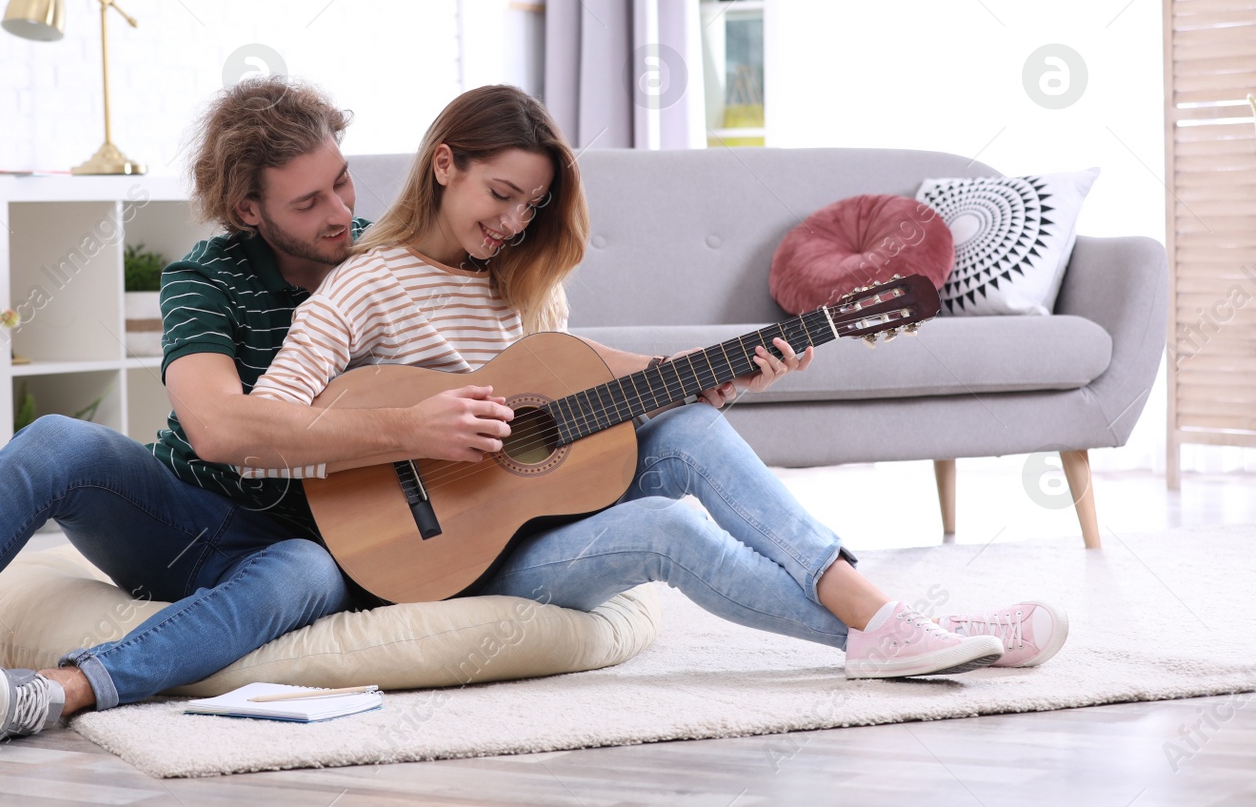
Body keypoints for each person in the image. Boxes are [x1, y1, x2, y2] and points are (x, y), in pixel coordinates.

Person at [0, 78, 512, 746]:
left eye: (342, 182)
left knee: (307, 570)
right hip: (178, 520)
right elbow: (220, 430)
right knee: (54, 442)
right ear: (247, 210)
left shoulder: (390, 262)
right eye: (309, 202)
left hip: (312, 542)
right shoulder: (201, 280)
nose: (342, 211)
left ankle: (56, 691)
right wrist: (406, 428)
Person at [242, 83, 1069, 679]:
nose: (512, 223)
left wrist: (711, 377)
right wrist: (411, 431)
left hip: (545, 522)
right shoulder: (366, 282)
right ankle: (904, 623)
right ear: (445, 165)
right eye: (499, 194)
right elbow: (264, 430)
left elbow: (560, 408)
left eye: (530, 206)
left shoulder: (528, 282)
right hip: (450, 559)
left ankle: (890, 622)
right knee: (666, 528)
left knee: (692, 429)